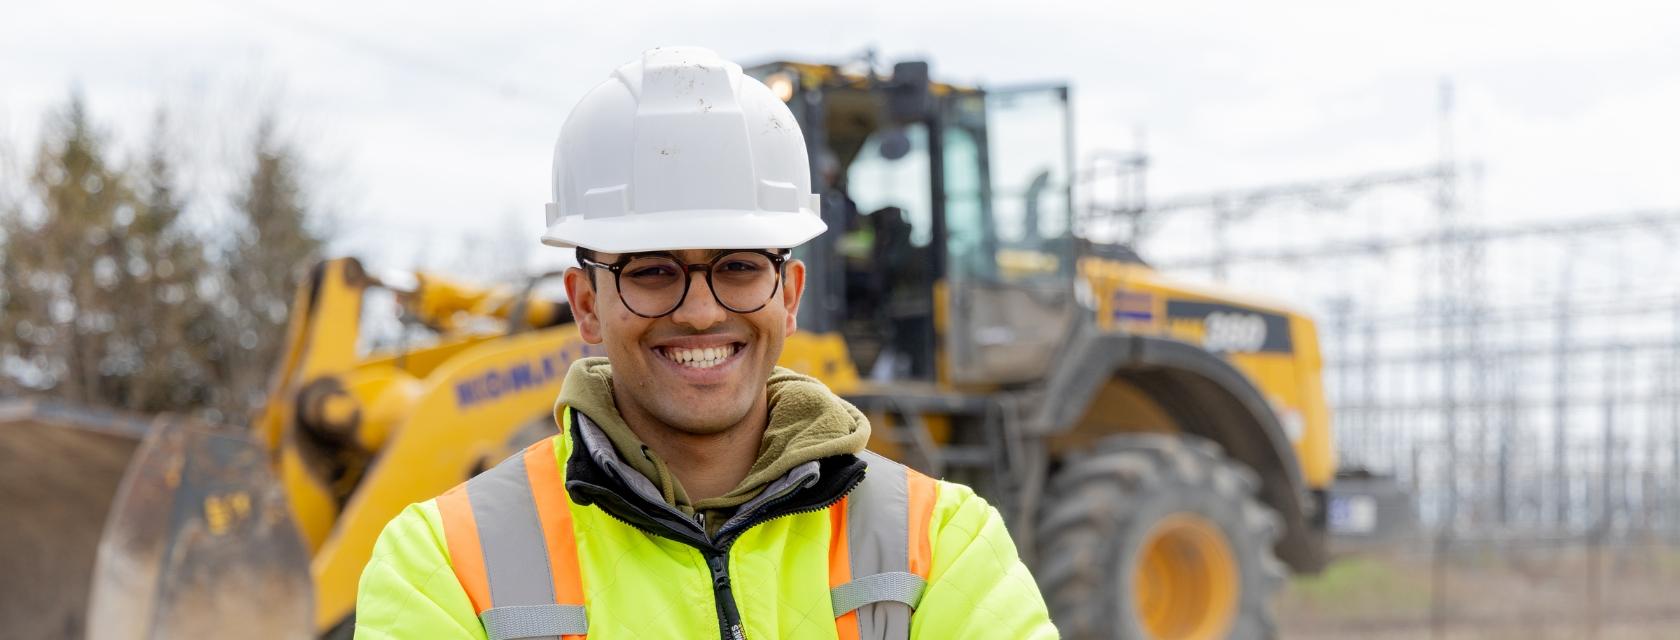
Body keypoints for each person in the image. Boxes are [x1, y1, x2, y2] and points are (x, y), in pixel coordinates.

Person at [353, 47, 1056, 640]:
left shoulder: (943, 543)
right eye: (652, 271)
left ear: (789, 294)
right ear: (586, 303)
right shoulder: (445, 563)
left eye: (739, 266)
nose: (697, 311)